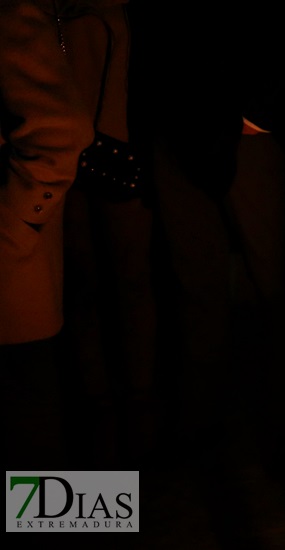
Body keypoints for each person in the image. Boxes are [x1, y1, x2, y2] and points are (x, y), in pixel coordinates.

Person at [50, 0, 159, 470]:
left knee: (121, 289)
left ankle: (131, 426)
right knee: (87, 291)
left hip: (111, 161)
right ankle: (111, 429)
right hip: (67, 165)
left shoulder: (105, 13)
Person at [1, 0, 95, 470]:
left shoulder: (8, 14)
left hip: (9, 286)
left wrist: (15, 227)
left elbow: (62, 132)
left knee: (32, 456)